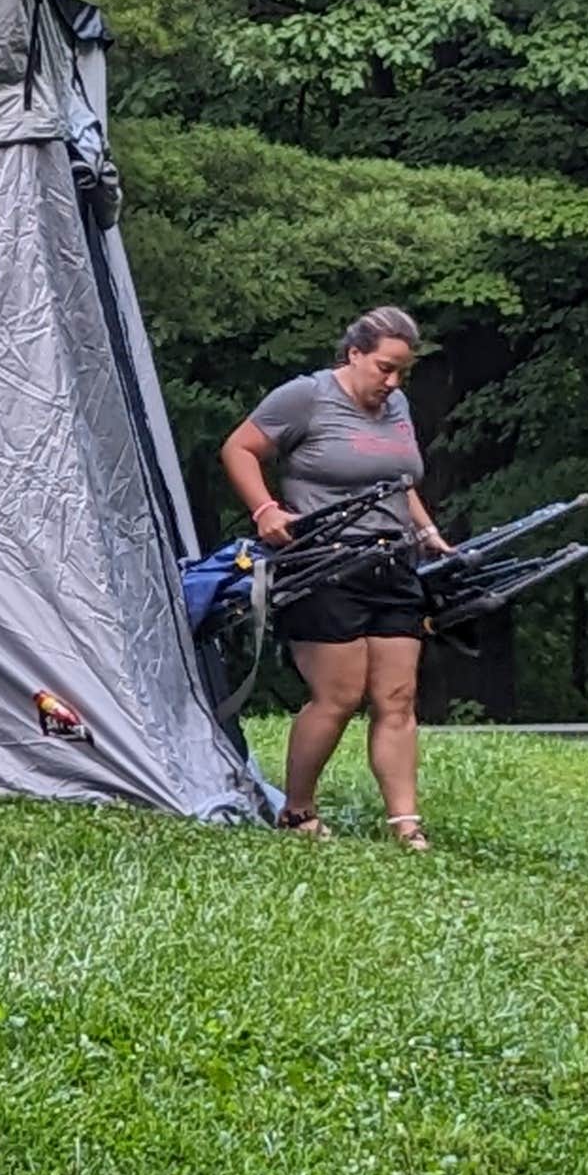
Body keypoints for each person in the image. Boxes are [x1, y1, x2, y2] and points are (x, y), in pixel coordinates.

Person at [221, 307, 453, 846]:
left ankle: (406, 824)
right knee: (340, 693)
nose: (392, 383)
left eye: (402, 373)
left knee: (397, 695)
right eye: (384, 368)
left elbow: (398, 480)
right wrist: (266, 511)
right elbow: (238, 448)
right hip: (325, 563)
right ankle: (298, 810)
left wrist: (427, 532)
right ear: (354, 354)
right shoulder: (306, 397)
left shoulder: (397, 405)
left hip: (392, 564)